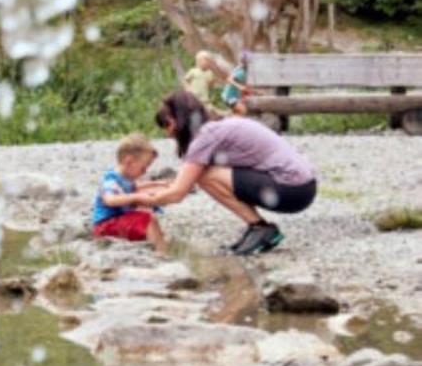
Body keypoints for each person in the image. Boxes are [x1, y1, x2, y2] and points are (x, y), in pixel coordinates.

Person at [132, 89, 317, 257]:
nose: (168, 133)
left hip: (292, 188)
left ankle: (260, 228)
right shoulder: (215, 127)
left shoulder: (204, 138)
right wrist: (145, 189)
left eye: (167, 125)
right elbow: (182, 183)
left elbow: (178, 192)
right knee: (202, 173)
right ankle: (258, 228)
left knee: (204, 175)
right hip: (302, 186)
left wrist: (132, 200)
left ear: (177, 119)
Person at [92, 133, 166, 249]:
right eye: (143, 167)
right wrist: (136, 198)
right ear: (129, 162)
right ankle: (162, 253)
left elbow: (136, 187)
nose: (145, 172)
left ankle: (157, 246)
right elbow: (110, 200)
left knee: (149, 214)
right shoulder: (111, 179)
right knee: (149, 219)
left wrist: (157, 185)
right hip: (105, 226)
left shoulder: (126, 179)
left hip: (118, 221)